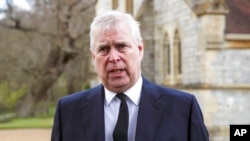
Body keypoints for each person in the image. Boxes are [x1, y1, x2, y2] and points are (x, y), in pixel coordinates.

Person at [51, 10, 209, 141]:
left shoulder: (183, 109)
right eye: (104, 49)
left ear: (140, 49)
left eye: (122, 46)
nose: (113, 57)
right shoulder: (68, 112)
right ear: (94, 57)